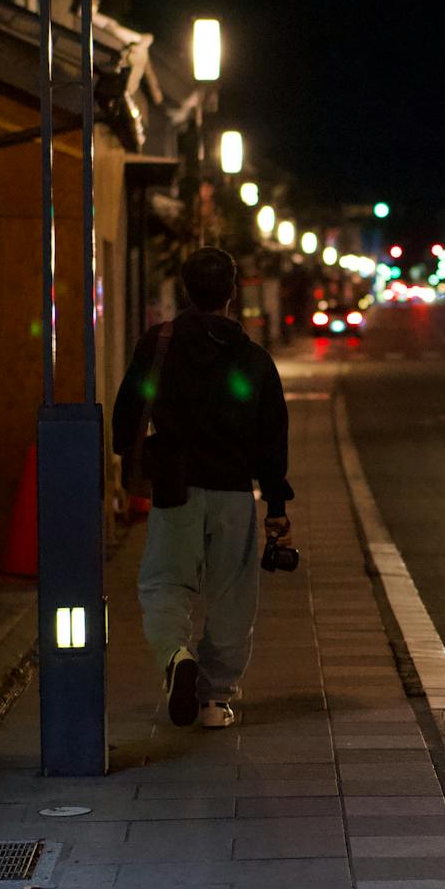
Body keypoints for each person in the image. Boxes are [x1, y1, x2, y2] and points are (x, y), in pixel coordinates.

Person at [112, 247, 291, 730]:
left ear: (187, 290)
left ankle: (176, 655)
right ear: (232, 292)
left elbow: (130, 405)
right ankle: (215, 699)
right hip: (234, 489)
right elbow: (272, 435)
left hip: (176, 486)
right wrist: (276, 504)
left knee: (163, 583)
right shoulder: (251, 357)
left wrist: (124, 453)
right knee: (233, 594)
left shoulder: (160, 342)